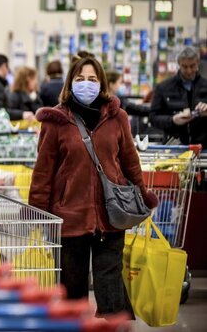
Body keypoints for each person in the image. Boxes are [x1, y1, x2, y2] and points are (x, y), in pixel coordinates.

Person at [29, 55, 158, 316]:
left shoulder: (117, 117)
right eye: (80, 79)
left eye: (92, 79)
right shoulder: (55, 121)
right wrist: (37, 212)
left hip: (111, 216)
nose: (86, 84)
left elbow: (130, 160)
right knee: (72, 291)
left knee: (111, 288)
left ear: (101, 84)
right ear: (70, 83)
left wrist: (142, 194)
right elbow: (43, 172)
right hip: (69, 217)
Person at [149, 47, 207, 147]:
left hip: (203, 147)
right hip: (173, 147)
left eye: (192, 66)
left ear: (198, 63)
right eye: (185, 66)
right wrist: (172, 120)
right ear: (179, 65)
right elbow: (153, 117)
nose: (189, 71)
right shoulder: (163, 88)